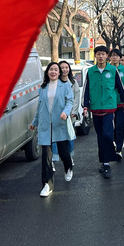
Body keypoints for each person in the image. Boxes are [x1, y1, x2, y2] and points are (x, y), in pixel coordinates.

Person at [30, 62, 74, 197]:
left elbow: (70, 101)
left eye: (56, 70)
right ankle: (47, 184)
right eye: (51, 69)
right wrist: (35, 122)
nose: (53, 72)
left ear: (59, 73)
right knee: (46, 156)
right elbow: (40, 107)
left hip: (59, 122)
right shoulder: (43, 88)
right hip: (45, 125)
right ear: (47, 72)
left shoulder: (66, 86)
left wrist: (66, 112)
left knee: (63, 152)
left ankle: (68, 167)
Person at [83, 45, 124, 179]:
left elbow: (120, 88)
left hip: (109, 108)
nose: (101, 56)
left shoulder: (113, 70)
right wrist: (85, 105)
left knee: (108, 135)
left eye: (103, 54)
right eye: (98, 54)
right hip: (95, 108)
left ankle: (108, 163)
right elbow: (86, 90)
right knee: (100, 137)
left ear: (106, 56)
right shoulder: (90, 72)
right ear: (95, 56)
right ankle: (104, 161)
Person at [51, 60, 80, 164]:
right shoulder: (54, 82)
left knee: (69, 136)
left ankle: (69, 155)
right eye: (62, 67)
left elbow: (76, 97)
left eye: (66, 67)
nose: (64, 69)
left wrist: (74, 111)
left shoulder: (73, 82)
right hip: (56, 115)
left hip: (69, 114)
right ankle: (54, 157)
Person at [108, 48, 124, 160]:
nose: (114, 58)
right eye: (112, 55)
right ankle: (112, 143)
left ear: (120, 58)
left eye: (116, 56)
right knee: (109, 126)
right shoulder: (107, 69)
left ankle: (119, 148)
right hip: (109, 102)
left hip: (121, 103)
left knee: (119, 125)